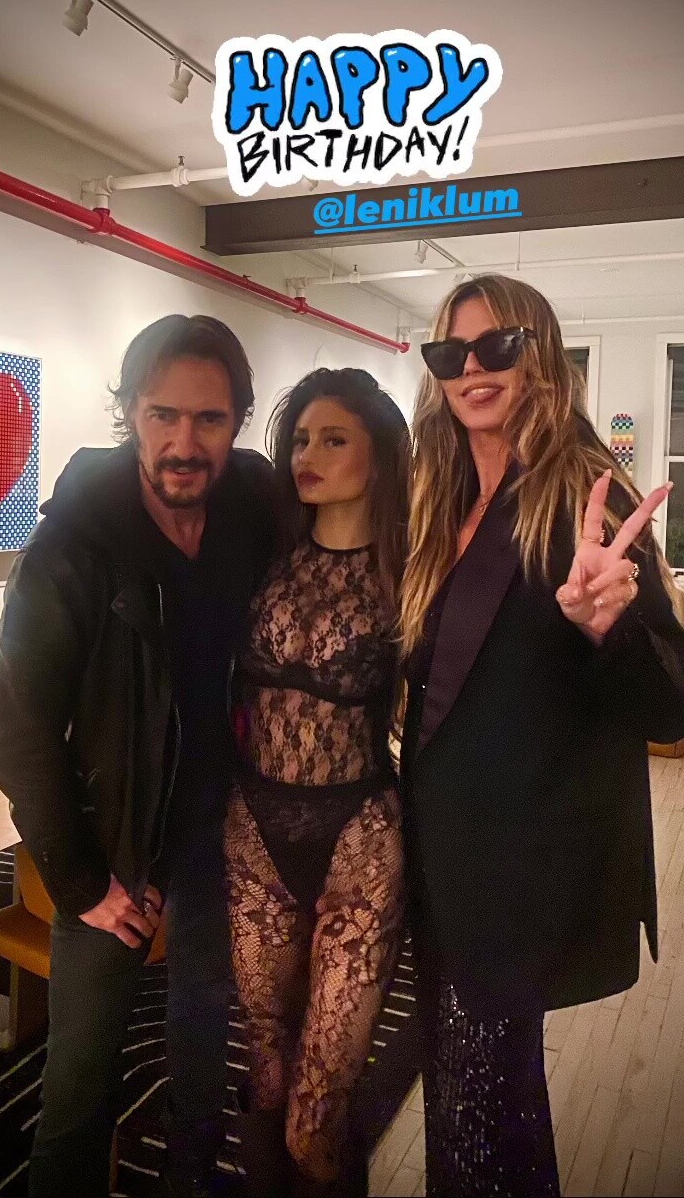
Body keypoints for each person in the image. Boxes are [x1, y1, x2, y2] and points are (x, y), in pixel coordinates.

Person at [399, 273, 684, 1197]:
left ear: (541, 355)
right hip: (442, 857)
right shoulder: (442, 496)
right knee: (476, 1104)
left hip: (517, 875)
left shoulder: (583, 496)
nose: (472, 368)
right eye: (451, 352)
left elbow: (672, 708)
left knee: (482, 1112)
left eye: (498, 346)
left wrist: (611, 624)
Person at [0, 315, 276, 1198]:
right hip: (113, 843)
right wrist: (82, 882)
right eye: (162, 416)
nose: (184, 443)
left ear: (238, 422)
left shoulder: (251, 511)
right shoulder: (75, 547)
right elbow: (21, 734)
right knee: (79, 1081)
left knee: (203, 1040)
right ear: (131, 414)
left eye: (209, 419)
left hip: (217, 834)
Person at [223, 368, 411, 1197]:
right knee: (266, 1076)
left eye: (334, 439)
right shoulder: (263, 552)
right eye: (301, 438)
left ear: (380, 455)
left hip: (359, 844)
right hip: (253, 835)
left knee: (316, 1110)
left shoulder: (412, 571)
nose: (310, 454)